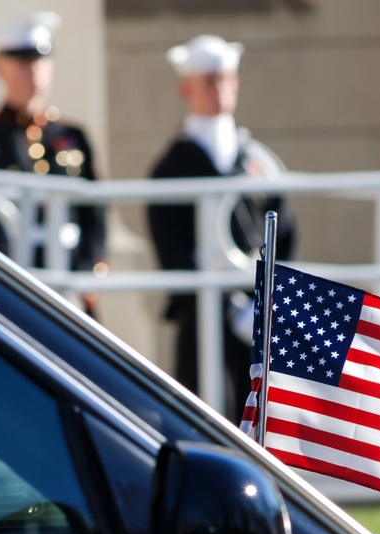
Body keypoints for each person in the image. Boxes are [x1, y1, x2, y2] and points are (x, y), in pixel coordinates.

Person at [147, 34, 297, 423]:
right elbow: (173, 249)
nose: (220, 89)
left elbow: (285, 229)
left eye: (226, 78)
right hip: (204, 316)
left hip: (257, 314)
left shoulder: (255, 158)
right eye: (209, 80)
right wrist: (228, 305)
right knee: (203, 414)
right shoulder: (172, 167)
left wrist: (261, 301)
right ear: (187, 88)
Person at [0, 11, 106, 291]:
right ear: (0, 68)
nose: (34, 70)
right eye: (22, 62)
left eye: (41, 60)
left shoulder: (72, 135)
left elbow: (94, 211)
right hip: (13, 279)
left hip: (69, 275)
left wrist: (87, 276)